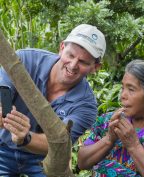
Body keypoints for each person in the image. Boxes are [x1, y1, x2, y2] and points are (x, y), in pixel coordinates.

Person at [0, 24, 106, 176]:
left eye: (83, 62)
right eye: (70, 55)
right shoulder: (25, 59)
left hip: (42, 160)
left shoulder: (86, 106)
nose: (73, 65)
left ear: (96, 67)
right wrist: (3, 109)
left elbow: (59, 146)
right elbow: (3, 88)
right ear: (62, 47)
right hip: (3, 147)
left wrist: (25, 138)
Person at [78, 59, 144, 177]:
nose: (122, 96)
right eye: (122, 88)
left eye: (131, 89)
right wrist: (109, 139)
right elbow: (82, 162)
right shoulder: (107, 121)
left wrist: (133, 145)